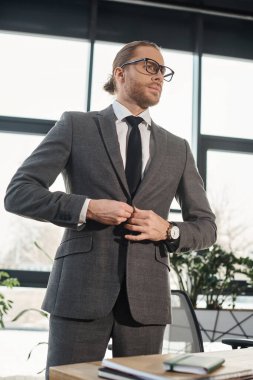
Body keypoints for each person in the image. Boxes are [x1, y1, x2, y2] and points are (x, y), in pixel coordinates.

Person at [4, 40, 216, 378]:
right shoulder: (76, 125)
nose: (160, 76)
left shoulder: (178, 148)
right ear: (120, 72)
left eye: (164, 71)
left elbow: (206, 226)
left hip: (145, 301)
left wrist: (169, 230)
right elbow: (18, 193)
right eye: (150, 66)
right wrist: (87, 208)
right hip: (79, 292)